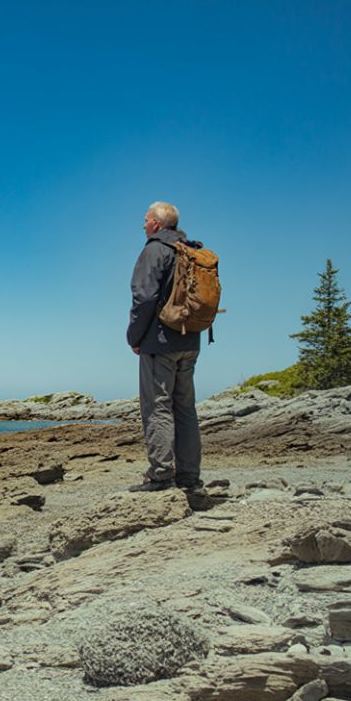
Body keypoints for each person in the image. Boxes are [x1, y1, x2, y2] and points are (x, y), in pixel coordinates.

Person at [126, 201, 204, 492]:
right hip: (190, 339)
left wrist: (134, 338)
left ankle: (160, 475)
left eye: (145, 220)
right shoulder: (190, 249)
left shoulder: (155, 249)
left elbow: (143, 298)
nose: (143, 225)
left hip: (160, 342)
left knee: (157, 408)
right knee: (185, 409)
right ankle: (189, 477)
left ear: (156, 224)